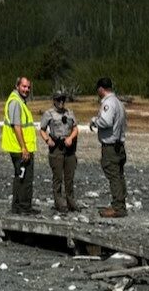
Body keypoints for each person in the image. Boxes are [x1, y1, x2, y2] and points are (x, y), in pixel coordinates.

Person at [89, 76, 128, 218]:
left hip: (111, 146)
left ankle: (118, 207)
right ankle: (120, 203)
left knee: (113, 175)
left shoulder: (108, 103)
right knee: (119, 175)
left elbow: (106, 121)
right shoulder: (118, 102)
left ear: (101, 89)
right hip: (119, 144)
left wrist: (94, 121)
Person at [1, 76, 38, 215]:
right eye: (24, 86)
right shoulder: (16, 102)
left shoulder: (17, 101)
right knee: (25, 178)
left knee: (19, 176)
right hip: (20, 148)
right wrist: (24, 148)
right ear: (17, 86)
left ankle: (17, 207)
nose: (26, 89)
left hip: (18, 147)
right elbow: (17, 126)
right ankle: (24, 207)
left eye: (28, 87)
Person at [39, 92, 81, 212]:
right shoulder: (49, 114)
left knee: (69, 176)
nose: (61, 102)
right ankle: (59, 203)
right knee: (58, 177)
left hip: (69, 147)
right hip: (56, 147)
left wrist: (71, 138)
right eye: (58, 100)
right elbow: (42, 130)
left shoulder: (69, 113)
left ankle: (71, 201)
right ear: (54, 101)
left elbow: (75, 128)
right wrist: (47, 139)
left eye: (63, 99)